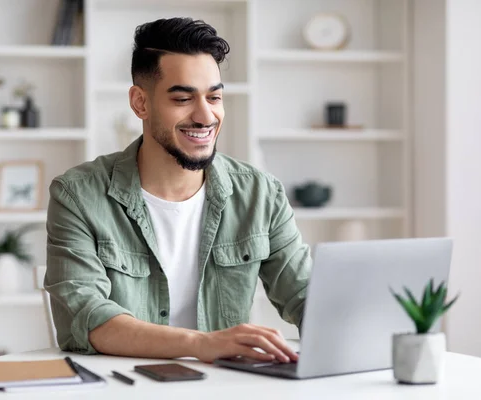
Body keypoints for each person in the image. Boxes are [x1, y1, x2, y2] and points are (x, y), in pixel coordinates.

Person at [45, 17, 312, 364]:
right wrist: (201, 344)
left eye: (214, 97)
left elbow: (307, 297)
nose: (205, 116)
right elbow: (88, 318)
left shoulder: (261, 194)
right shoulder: (78, 195)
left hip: (225, 388)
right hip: (123, 388)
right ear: (140, 103)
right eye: (183, 98)